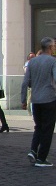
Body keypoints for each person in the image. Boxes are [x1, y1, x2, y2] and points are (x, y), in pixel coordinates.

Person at [21, 37, 56, 167]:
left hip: (35, 99)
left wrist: (23, 99)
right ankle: (41, 158)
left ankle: (33, 150)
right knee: (47, 129)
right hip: (49, 99)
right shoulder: (53, 61)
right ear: (50, 47)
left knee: (39, 127)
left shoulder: (32, 62)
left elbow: (25, 82)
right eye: (54, 46)